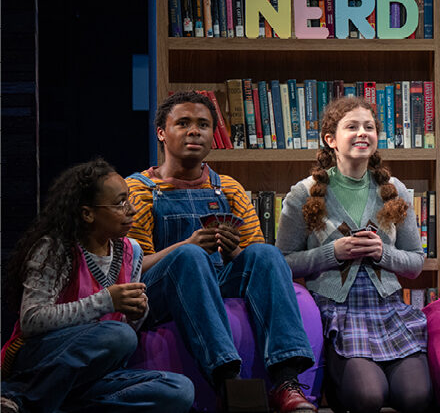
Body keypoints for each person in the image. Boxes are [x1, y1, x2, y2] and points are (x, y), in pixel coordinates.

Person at [126, 91, 317, 413]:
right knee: (190, 258)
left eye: (203, 125)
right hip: (158, 291)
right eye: (183, 123)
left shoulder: (227, 187)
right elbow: (131, 267)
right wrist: (185, 247)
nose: (194, 131)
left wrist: (234, 251)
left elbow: (258, 260)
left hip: (217, 279)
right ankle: (228, 381)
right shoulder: (138, 190)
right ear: (161, 132)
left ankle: (286, 382)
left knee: (267, 254)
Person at [275, 96, 432, 413]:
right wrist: (332, 253)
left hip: (388, 309)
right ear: (330, 139)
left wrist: (383, 253)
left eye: (369, 127)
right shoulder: (303, 193)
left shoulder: (395, 189)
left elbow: (415, 262)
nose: (362, 133)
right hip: (337, 312)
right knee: (367, 396)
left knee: (416, 397)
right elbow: (282, 263)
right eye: (352, 127)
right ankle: (335, 383)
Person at [0, 158, 194, 412]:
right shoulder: (56, 250)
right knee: (118, 335)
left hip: (90, 374)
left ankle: (44, 404)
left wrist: (136, 313)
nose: (131, 210)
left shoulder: (131, 251)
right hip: (40, 361)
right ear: (87, 214)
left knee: (179, 390)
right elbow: (32, 320)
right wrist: (106, 301)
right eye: (120, 203)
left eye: (129, 200)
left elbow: (123, 331)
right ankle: (22, 396)